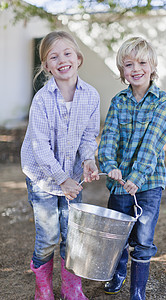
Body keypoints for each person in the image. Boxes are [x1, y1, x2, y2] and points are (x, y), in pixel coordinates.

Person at [21, 31, 100, 300]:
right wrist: (61, 179)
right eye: (53, 56)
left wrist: (88, 159)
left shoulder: (91, 96)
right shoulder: (42, 100)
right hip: (43, 177)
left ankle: (71, 288)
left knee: (72, 235)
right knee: (48, 237)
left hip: (74, 178)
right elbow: (39, 147)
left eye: (67, 53)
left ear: (78, 58)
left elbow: (89, 136)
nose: (62, 60)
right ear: (47, 66)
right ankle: (43, 287)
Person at [98, 36, 166, 300]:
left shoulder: (162, 101)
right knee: (116, 235)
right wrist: (111, 166)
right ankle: (117, 274)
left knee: (143, 238)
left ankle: (137, 291)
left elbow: (152, 144)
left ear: (152, 66)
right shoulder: (119, 102)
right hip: (120, 184)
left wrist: (137, 177)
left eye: (142, 62)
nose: (136, 68)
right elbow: (108, 138)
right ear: (122, 71)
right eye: (129, 64)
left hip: (149, 183)